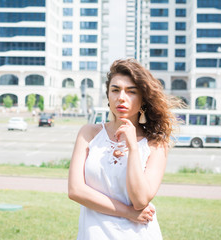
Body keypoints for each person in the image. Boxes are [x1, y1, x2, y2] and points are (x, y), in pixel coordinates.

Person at [68, 59, 180, 239]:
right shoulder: (89, 133)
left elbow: (140, 200)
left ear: (143, 98)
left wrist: (133, 148)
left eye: (131, 91)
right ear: (108, 95)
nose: (121, 97)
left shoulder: (156, 144)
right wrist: (128, 213)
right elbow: (75, 190)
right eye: (115, 90)